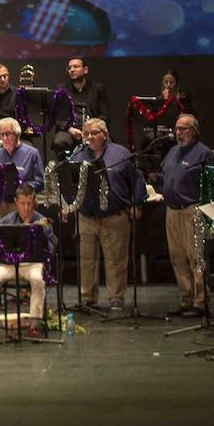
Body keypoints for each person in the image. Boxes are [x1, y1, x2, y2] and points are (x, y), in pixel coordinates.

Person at [68, 118, 143, 316]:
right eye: (86, 134)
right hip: (86, 216)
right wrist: (68, 205)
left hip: (114, 216)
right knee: (86, 260)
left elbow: (136, 180)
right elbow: (68, 181)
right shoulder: (77, 155)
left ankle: (116, 298)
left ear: (104, 134)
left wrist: (136, 204)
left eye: (94, 133)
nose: (90, 137)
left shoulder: (121, 154)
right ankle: (88, 298)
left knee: (116, 260)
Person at [151, 114, 213, 317]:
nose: (178, 133)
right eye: (177, 128)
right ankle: (186, 298)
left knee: (196, 257)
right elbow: (165, 177)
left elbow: (209, 185)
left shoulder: (203, 153)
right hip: (172, 210)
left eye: (183, 129)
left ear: (194, 130)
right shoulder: (172, 152)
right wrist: (156, 178)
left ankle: (200, 301)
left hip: (192, 210)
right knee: (177, 257)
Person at [0, 184, 57, 340]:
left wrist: (44, 249)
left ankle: (35, 323)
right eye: (22, 203)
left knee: (38, 279)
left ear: (34, 202)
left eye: (29, 203)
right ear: (16, 202)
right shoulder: (7, 220)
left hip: (33, 264)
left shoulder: (43, 221)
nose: (26, 208)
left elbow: (52, 246)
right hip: (10, 264)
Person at [53, 57, 109, 158]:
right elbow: (57, 117)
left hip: (93, 129)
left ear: (85, 70)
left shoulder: (97, 89)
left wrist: (91, 130)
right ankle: (66, 171)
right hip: (70, 130)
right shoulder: (61, 89)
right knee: (59, 141)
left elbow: (105, 116)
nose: (72, 70)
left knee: (110, 145)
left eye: (76, 67)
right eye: (69, 68)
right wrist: (70, 129)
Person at [0, 117, 43, 216]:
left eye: (8, 134)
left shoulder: (32, 153)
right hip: (3, 203)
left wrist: (24, 188)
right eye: (1, 135)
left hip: (24, 202)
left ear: (17, 134)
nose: (5, 138)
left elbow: (40, 181)